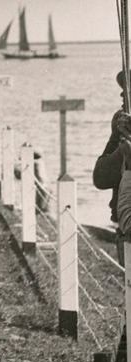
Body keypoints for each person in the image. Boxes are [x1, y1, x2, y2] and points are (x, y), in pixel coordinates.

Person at [94, 70, 131, 265]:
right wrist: (120, 142)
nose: (122, 95)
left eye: (127, 90)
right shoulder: (121, 124)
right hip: (126, 231)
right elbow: (100, 178)